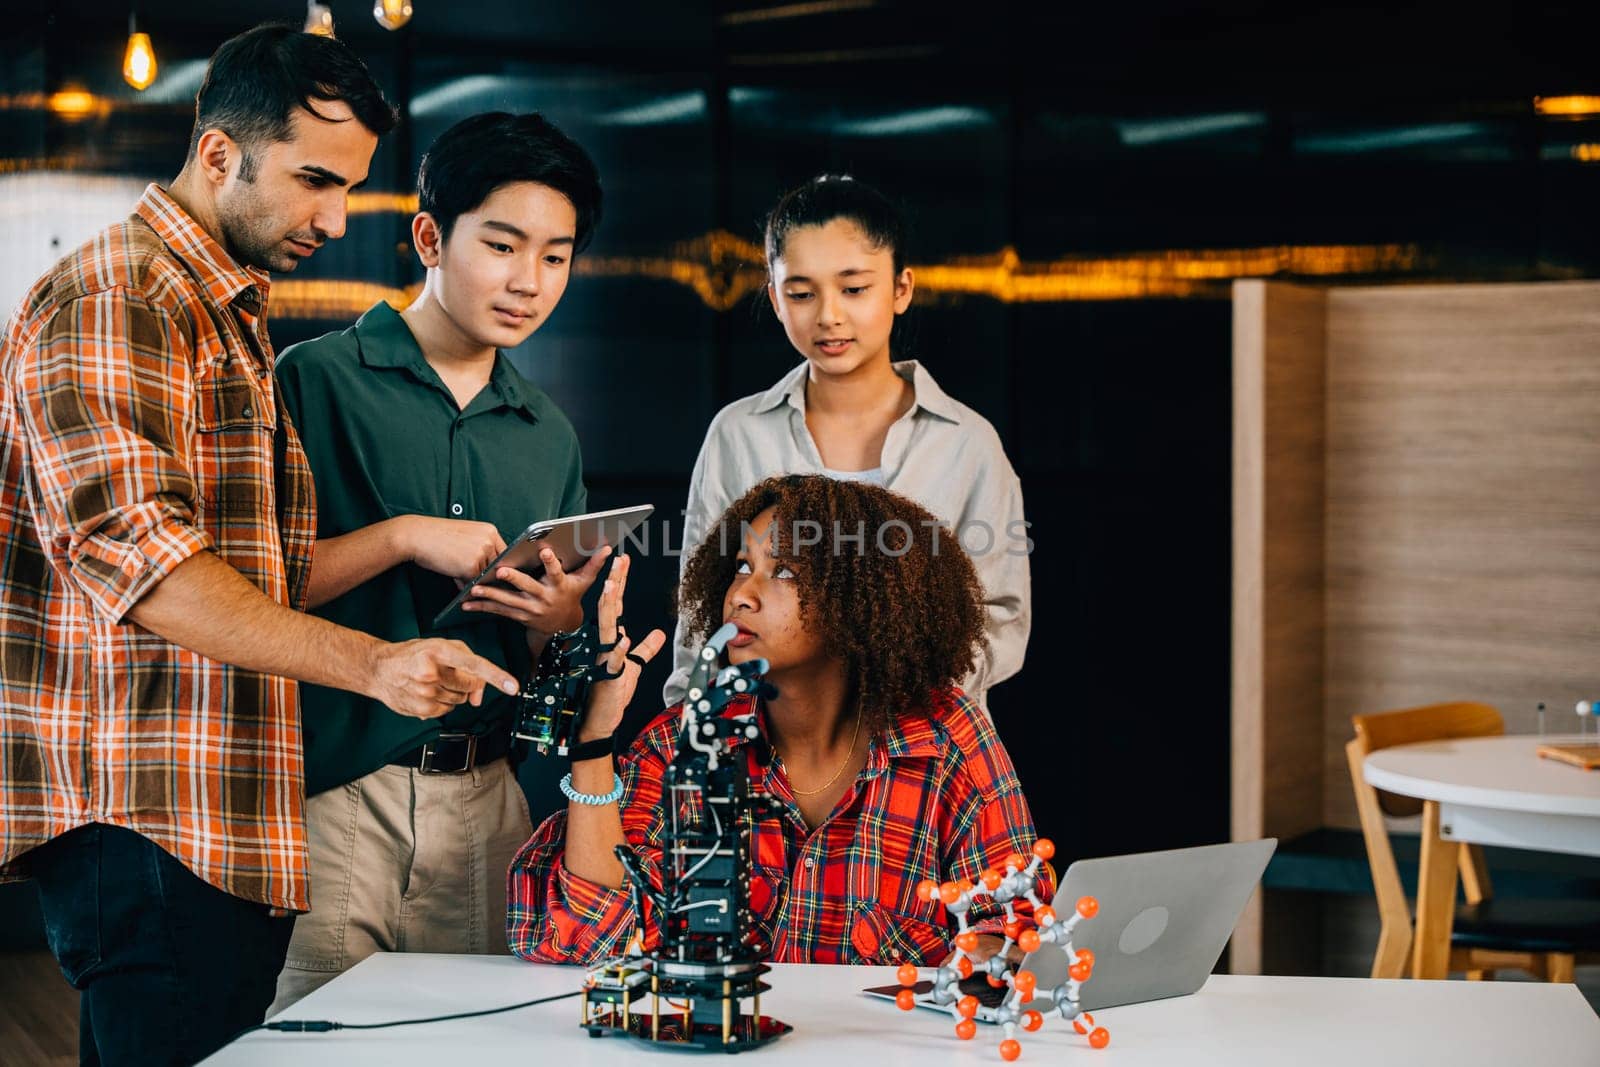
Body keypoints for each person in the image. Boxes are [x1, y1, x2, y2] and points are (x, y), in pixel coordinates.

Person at [0, 26, 518, 1066]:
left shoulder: (223, 307)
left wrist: (407, 536)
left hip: (221, 822)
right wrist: (378, 664)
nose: (335, 217)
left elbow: (255, 582)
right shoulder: (123, 298)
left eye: (350, 185)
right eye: (315, 180)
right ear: (219, 153)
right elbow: (148, 572)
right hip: (148, 823)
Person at [268, 111, 605, 1012]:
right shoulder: (315, 379)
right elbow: (244, 591)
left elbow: (552, 663)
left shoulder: (548, 432)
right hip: (339, 794)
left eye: (556, 256)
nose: (528, 282)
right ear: (429, 234)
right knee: (322, 1041)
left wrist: (560, 622)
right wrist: (405, 533)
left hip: (491, 802)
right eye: (502, 245)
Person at [510, 475, 1044, 966]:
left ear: (860, 601)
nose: (741, 594)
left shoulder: (948, 739)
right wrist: (593, 742)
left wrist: (994, 950)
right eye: (743, 566)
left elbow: (1015, 924)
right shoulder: (686, 741)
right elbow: (588, 934)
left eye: (784, 571)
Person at [665, 175, 1030, 711]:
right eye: (801, 293)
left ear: (901, 289)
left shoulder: (967, 443)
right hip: (766, 749)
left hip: (919, 752)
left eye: (854, 288)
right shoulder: (738, 433)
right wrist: (691, 721)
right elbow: (701, 611)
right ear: (774, 296)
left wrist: (898, 695)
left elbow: (1001, 617)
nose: (829, 315)